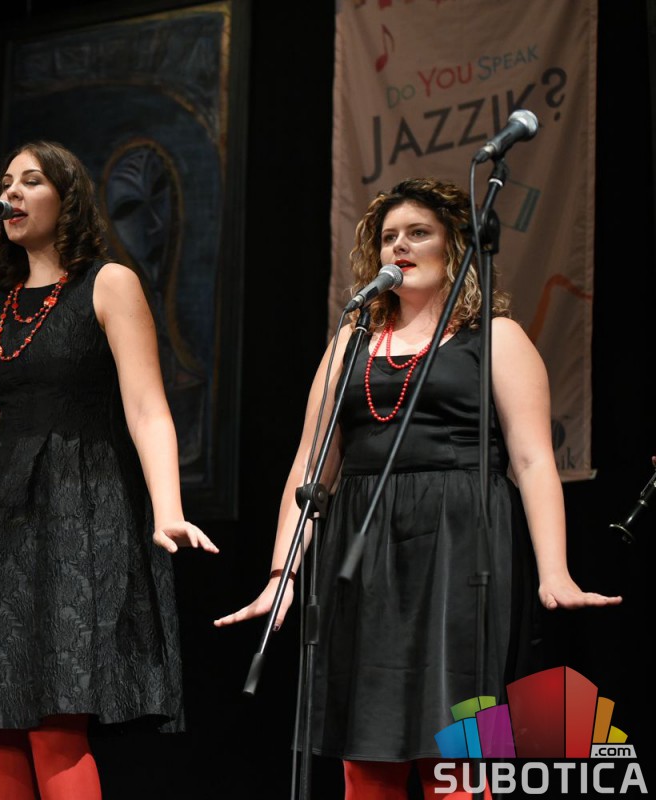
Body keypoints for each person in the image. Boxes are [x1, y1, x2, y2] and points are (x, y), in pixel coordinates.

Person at [214, 178, 621, 799]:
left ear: (453, 246)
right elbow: (309, 469)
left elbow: (534, 460)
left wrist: (555, 572)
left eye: (418, 233)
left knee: (457, 748)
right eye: (388, 237)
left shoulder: (496, 337)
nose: (399, 246)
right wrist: (282, 575)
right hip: (362, 544)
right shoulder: (350, 342)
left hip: (462, 542)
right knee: (365, 749)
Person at [0, 140, 217, 799]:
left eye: (31, 181)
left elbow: (148, 408)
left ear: (67, 199)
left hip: (77, 510)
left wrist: (169, 509)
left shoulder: (109, 283)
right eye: (6, 181)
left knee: (53, 723)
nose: (10, 192)